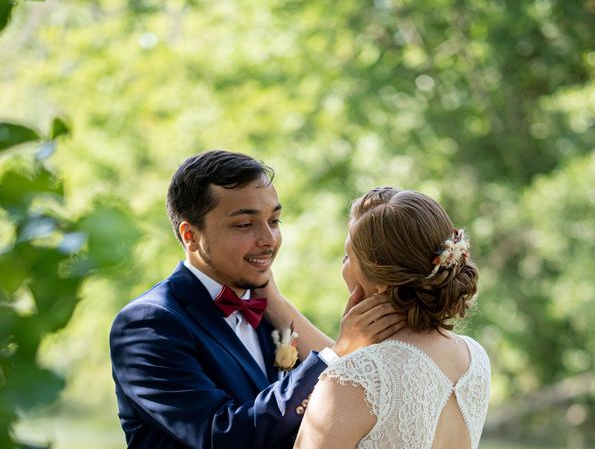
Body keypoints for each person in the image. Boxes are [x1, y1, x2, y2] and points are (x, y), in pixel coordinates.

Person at [109, 151, 406, 449]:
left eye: (274, 220)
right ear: (190, 236)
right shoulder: (148, 324)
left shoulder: (270, 308)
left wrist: (282, 310)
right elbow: (222, 435)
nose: (269, 239)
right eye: (244, 225)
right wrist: (335, 353)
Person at [294, 187, 491, 449]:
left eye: (348, 257)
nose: (343, 267)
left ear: (381, 282)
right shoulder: (474, 358)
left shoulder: (351, 380)